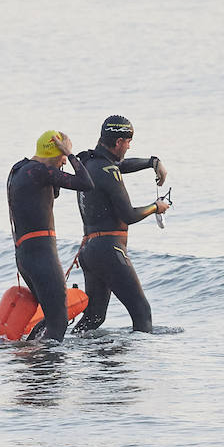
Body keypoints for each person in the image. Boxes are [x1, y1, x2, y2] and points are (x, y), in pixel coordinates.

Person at [72, 115, 170, 333]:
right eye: (128, 142)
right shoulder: (108, 171)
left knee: (94, 318)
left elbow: (121, 165)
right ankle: (141, 366)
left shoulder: (89, 163)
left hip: (90, 250)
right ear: (118, 142)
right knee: (141, 311)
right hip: (109, 249)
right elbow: (128, 215)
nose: (129, 147)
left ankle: (84, 358)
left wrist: (152, 163)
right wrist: (156, 206)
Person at [5, 129, 95, 340]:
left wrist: (61, 160)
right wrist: (71, 155)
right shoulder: (40, 172)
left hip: (25, 256)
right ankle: (49, 371)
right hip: (41, 256)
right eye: (63, 156)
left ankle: (35, 360)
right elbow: (86, 184)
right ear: (56, 151)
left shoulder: (19, 170)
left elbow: (52, 192)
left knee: (51, 318)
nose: (64, 161)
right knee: (59, 322)